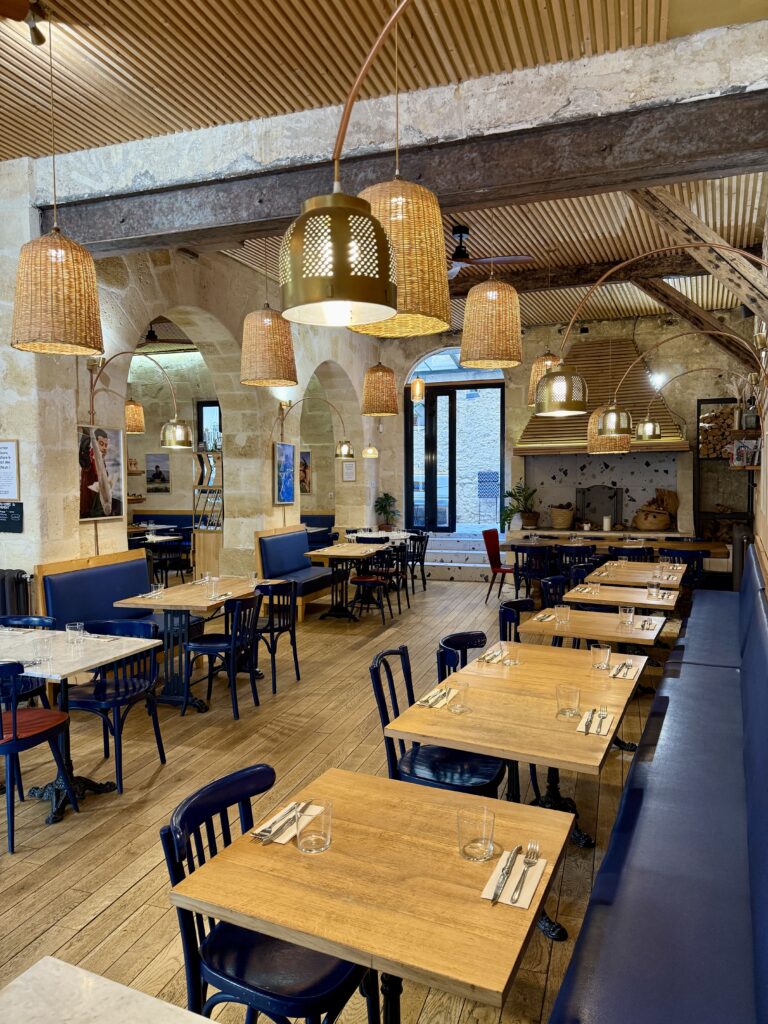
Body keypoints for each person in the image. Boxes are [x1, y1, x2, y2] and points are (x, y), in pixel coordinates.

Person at [79, 427, 122, 518]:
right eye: (101, 444)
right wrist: (87, 435)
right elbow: (84, 456)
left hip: (99, 505)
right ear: (95, 443)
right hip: (89, 508)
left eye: (106, 445)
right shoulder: (90, 458)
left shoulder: (102, 461)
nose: (104, 448)